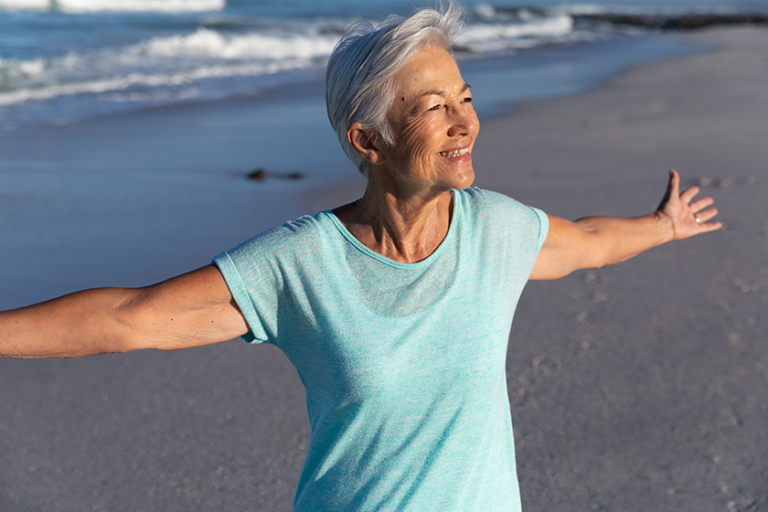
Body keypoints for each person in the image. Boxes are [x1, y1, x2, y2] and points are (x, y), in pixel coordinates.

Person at [0, 3, 720, 511]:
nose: (465, 120)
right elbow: (133, 318)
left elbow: (589, 244)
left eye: (464, 98)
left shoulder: (496, 231)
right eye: (433, 106)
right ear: (367, 141)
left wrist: (662, 226)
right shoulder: (302, 265)